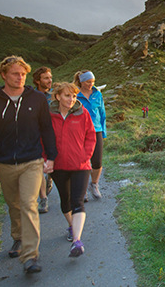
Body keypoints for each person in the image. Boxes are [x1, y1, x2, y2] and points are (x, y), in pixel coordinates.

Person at [0, 56, 57, 274]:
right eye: (15, 74)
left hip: (32, 160)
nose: (20, 78)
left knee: (29, 204)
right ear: (3, 75)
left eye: (23, 74)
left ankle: (30, 256)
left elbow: (46, 128)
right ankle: (18, 238)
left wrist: (51, 157)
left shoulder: (37, 99)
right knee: (14, 204)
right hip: (4, 162)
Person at [47, 82, 96, 257]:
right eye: (67, 95)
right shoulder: (48, 116)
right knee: (65, 200)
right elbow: (42, 138)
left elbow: (91, 136)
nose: (71, 99)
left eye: (74, 96)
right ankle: (71, 225)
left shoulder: (82, 113)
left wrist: (85, 156)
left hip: (81, 166)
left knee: (78, 201)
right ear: (58, 96)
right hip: (57, 166)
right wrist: (46, 160)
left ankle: (77, 240)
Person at [74, 70, 106, 199]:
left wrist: (103, 132)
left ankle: (94, 184)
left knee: (97, 161)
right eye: (88, 82)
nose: (91, 84)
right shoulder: (75, 95)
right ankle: (82, 189)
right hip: (80, 131)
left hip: (96, 130)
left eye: (92, 81)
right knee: (82, 161)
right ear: (81, 82)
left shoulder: (97, 94)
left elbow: (102, 114)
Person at [32, 66, 54, 213]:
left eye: (50, 78)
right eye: (46, 78)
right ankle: (43, 199)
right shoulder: (31, 97)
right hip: (36, 136)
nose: (50, 81)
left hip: (53, 135)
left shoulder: (54, 97)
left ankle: (50, 177)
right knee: (39, 166)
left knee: (53, 164)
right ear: (37, 81)